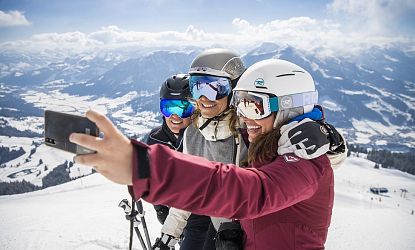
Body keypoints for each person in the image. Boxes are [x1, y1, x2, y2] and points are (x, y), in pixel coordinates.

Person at [71, 59, 347, 249]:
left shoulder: (303, 159)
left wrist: (144, 167)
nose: (245, 118)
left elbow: (247, 190)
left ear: (288, 107)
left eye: (255, 107)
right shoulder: (265, 148)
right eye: (242, 106)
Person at [143, 74, 194, 226]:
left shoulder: (202, 138)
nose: (175, 116)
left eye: (184, 108)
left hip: (202, 213)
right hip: (173, 213)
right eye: (168, 107)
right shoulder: (156, 139)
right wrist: (160, 208)